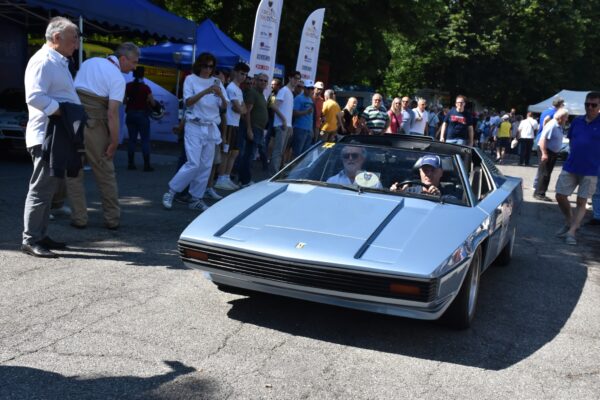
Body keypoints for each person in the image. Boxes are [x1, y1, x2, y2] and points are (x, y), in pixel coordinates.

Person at [22, 17, 82, 258]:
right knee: (41, 189)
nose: (76, 45)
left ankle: (40, 235)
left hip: (56, 133)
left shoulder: (58, 61)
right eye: (73, 40)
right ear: (56, 38)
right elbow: (34, 97)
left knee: (49, 188)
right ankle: (31, 239)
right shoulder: (43, 61)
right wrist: (63, 112)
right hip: (47, 134)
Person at [67, 42, 139, 230]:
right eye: (133, 62)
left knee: (73, 171)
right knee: (105, 172)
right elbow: (112, 114)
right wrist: (114, 142)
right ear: (123, 59)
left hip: (72, 121)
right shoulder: (117, 78)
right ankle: (112, 219)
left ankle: (79, 217)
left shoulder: (90, 62)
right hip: (94, 125)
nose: (134, 67)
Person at [162, 53, 229, 211]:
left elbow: (225, 108)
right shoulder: (190, 79)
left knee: (205, 166)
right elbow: (188, 102)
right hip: (194, 125)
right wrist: (206, 91)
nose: (207, 69)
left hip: (211, 127)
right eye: (205, 66)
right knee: (193, 163)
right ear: (198, 65)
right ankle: (171, 192)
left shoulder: (217, 82)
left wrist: (220, 95)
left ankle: (196, 199)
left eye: (211, 66)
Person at [554, 92, 600, 245]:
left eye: (594, 105)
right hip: (572, 165)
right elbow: (572, 140)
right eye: (587, 104)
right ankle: (569, 221)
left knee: (582, 201)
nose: (590, 107)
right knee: (560, 195)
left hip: (592, 169)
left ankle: (572, 231)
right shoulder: (577, 121)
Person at [214, 62, 249, 190]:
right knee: (226, 152)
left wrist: (241, 108)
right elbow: (239, 108)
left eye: (245, 74)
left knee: (233, 153)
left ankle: (226, 177)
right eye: (241, 73)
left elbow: (243, 109)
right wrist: (240, 108)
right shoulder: (231, 88)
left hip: (235, 124)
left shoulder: (239, 89)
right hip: (228, 123)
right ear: (235, 72)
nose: (243, 76)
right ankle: (220, 178)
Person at [238, 73, 270, 187]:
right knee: (248, 155)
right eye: (261, 80)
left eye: (265, 81)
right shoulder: (252, 92)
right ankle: (244, 181)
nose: (263, 82)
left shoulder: (261, 94)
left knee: (250, 155)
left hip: (259, 129)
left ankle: (245, 179)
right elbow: (247, 112)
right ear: (256, 81)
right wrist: (249, 129)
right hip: (253, 128)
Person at [533, 108, 569, 202]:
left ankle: (540, 192)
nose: (567, 119)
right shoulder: (552, 125)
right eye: (566, 117)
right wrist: (544, 154)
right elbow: (542, 140)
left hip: (552, 152)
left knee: (547, 173)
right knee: (544, 173)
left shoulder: (559, 125)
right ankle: (539, 193)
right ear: (561, 117)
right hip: (546, 151)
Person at [125, 66, 157, 171]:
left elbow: (124, 100)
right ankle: (146, 165)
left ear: (133, 74)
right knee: (145, 140)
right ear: (143, 75)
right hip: (142, 115)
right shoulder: (146, 88)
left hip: (130, 114)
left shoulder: (128, 86)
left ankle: (130, 164)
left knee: (132, 140)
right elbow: (152, 103)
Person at [269, 70, 299, 175]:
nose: (296, 80)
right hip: (281, 125)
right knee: (278, 152)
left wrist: (289, 124)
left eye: (298, 79)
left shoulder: (290, 92)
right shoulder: (284, 90)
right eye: (295, 78)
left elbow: (286, 110)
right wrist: (284, 120)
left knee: (281, 152)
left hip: (286, 125)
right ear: (289, 78)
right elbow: (274, 106)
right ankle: (273, 174)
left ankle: (277, 174)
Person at [390, 154, 454, 198]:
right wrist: (394, 194)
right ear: (420, 172)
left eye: (433, 170)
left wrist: (439, 198)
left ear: (441, 173)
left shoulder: (449, 197)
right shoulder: (408, 192)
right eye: (425, 170)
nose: (429, 174)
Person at [291, 79, 314, 157]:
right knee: (297, 153)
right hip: (300, 129)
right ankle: (292, 168)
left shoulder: (310, 99)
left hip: (308, 130)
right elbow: (294, 113)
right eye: (309, 88)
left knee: (305, 155)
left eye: (312, 88)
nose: (311, 90)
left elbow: (311, 116)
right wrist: (306, 112)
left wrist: (311, 129)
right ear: (304, 88)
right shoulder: (298, 98)